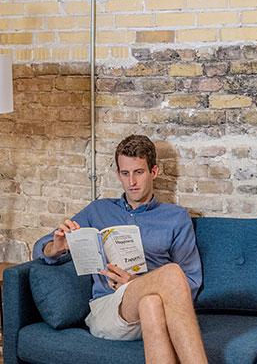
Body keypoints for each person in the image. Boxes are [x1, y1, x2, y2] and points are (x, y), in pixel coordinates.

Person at [34, 135, 207, 364]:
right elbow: (40, 249)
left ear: (154, 171)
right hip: (108, 308)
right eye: (125, 174)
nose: (131, 181)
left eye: (139, 172)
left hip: (155, 309)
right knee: (172, 274)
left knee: (151, 302)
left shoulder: (176, 217)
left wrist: (135, 283)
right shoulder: (98, 210)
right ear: (118, 174)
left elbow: (191, 280)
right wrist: (55, 248)